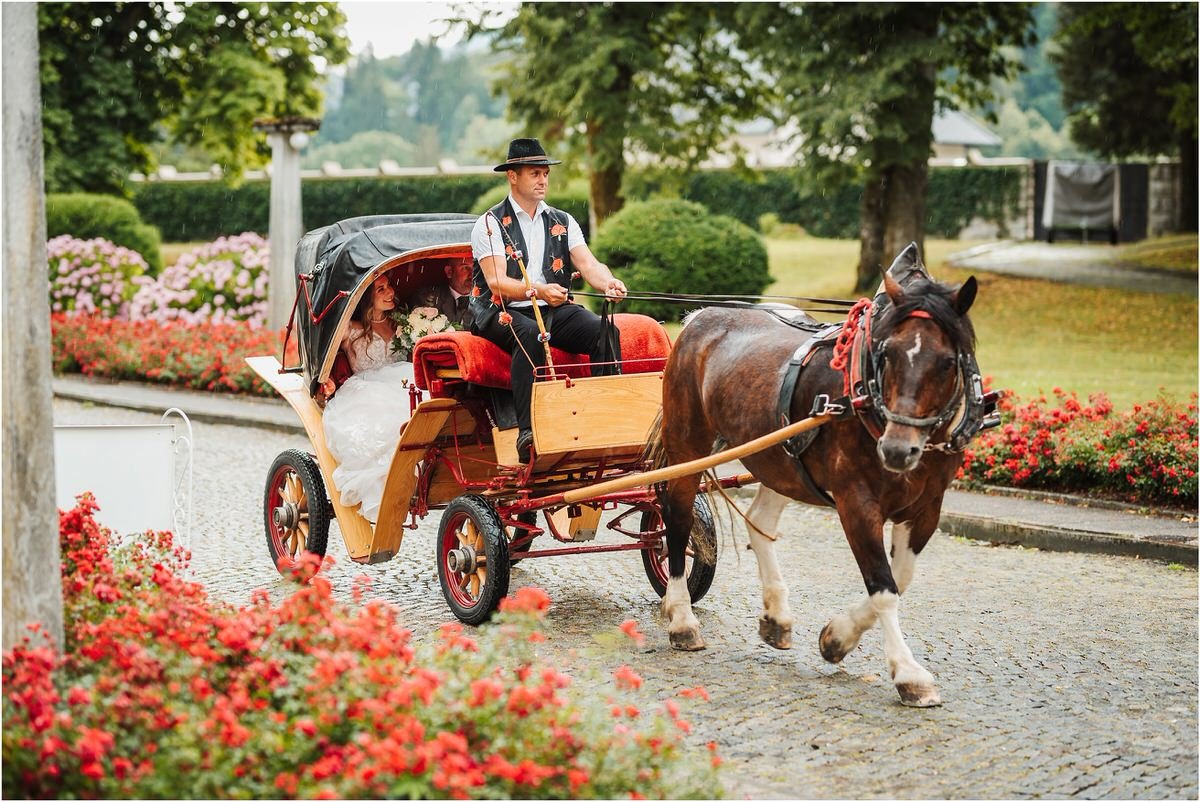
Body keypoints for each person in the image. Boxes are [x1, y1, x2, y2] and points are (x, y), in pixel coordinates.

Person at [470, 138, 628, 463]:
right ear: (512, 176)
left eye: (545, 173)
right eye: (534, 173)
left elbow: (588, 264)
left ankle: (603, 416)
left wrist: (608, 282)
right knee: (529, 335)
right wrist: (538, 291)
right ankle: (528, 432)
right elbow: (496, 282)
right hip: (501, 312)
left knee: (605, 332)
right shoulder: (489, 223)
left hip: (552, 308)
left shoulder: (563, 220)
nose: (542, 180)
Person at [320, 274, 415, 521]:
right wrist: (326, 379)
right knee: (386, 419)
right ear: (366, 297)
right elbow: (323, 346)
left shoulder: (402, 324)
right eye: (380, 289)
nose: (389, 292)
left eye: (389, 286)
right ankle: (389, 481)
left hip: (402, 382)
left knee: (422, 402)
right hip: (365, 388)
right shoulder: (350, 329)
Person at [410, 258, 475, 328]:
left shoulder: (485, 302)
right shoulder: (427, 298)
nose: (472, 274)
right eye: (465, 268)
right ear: (449, 272)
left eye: (475, 268)